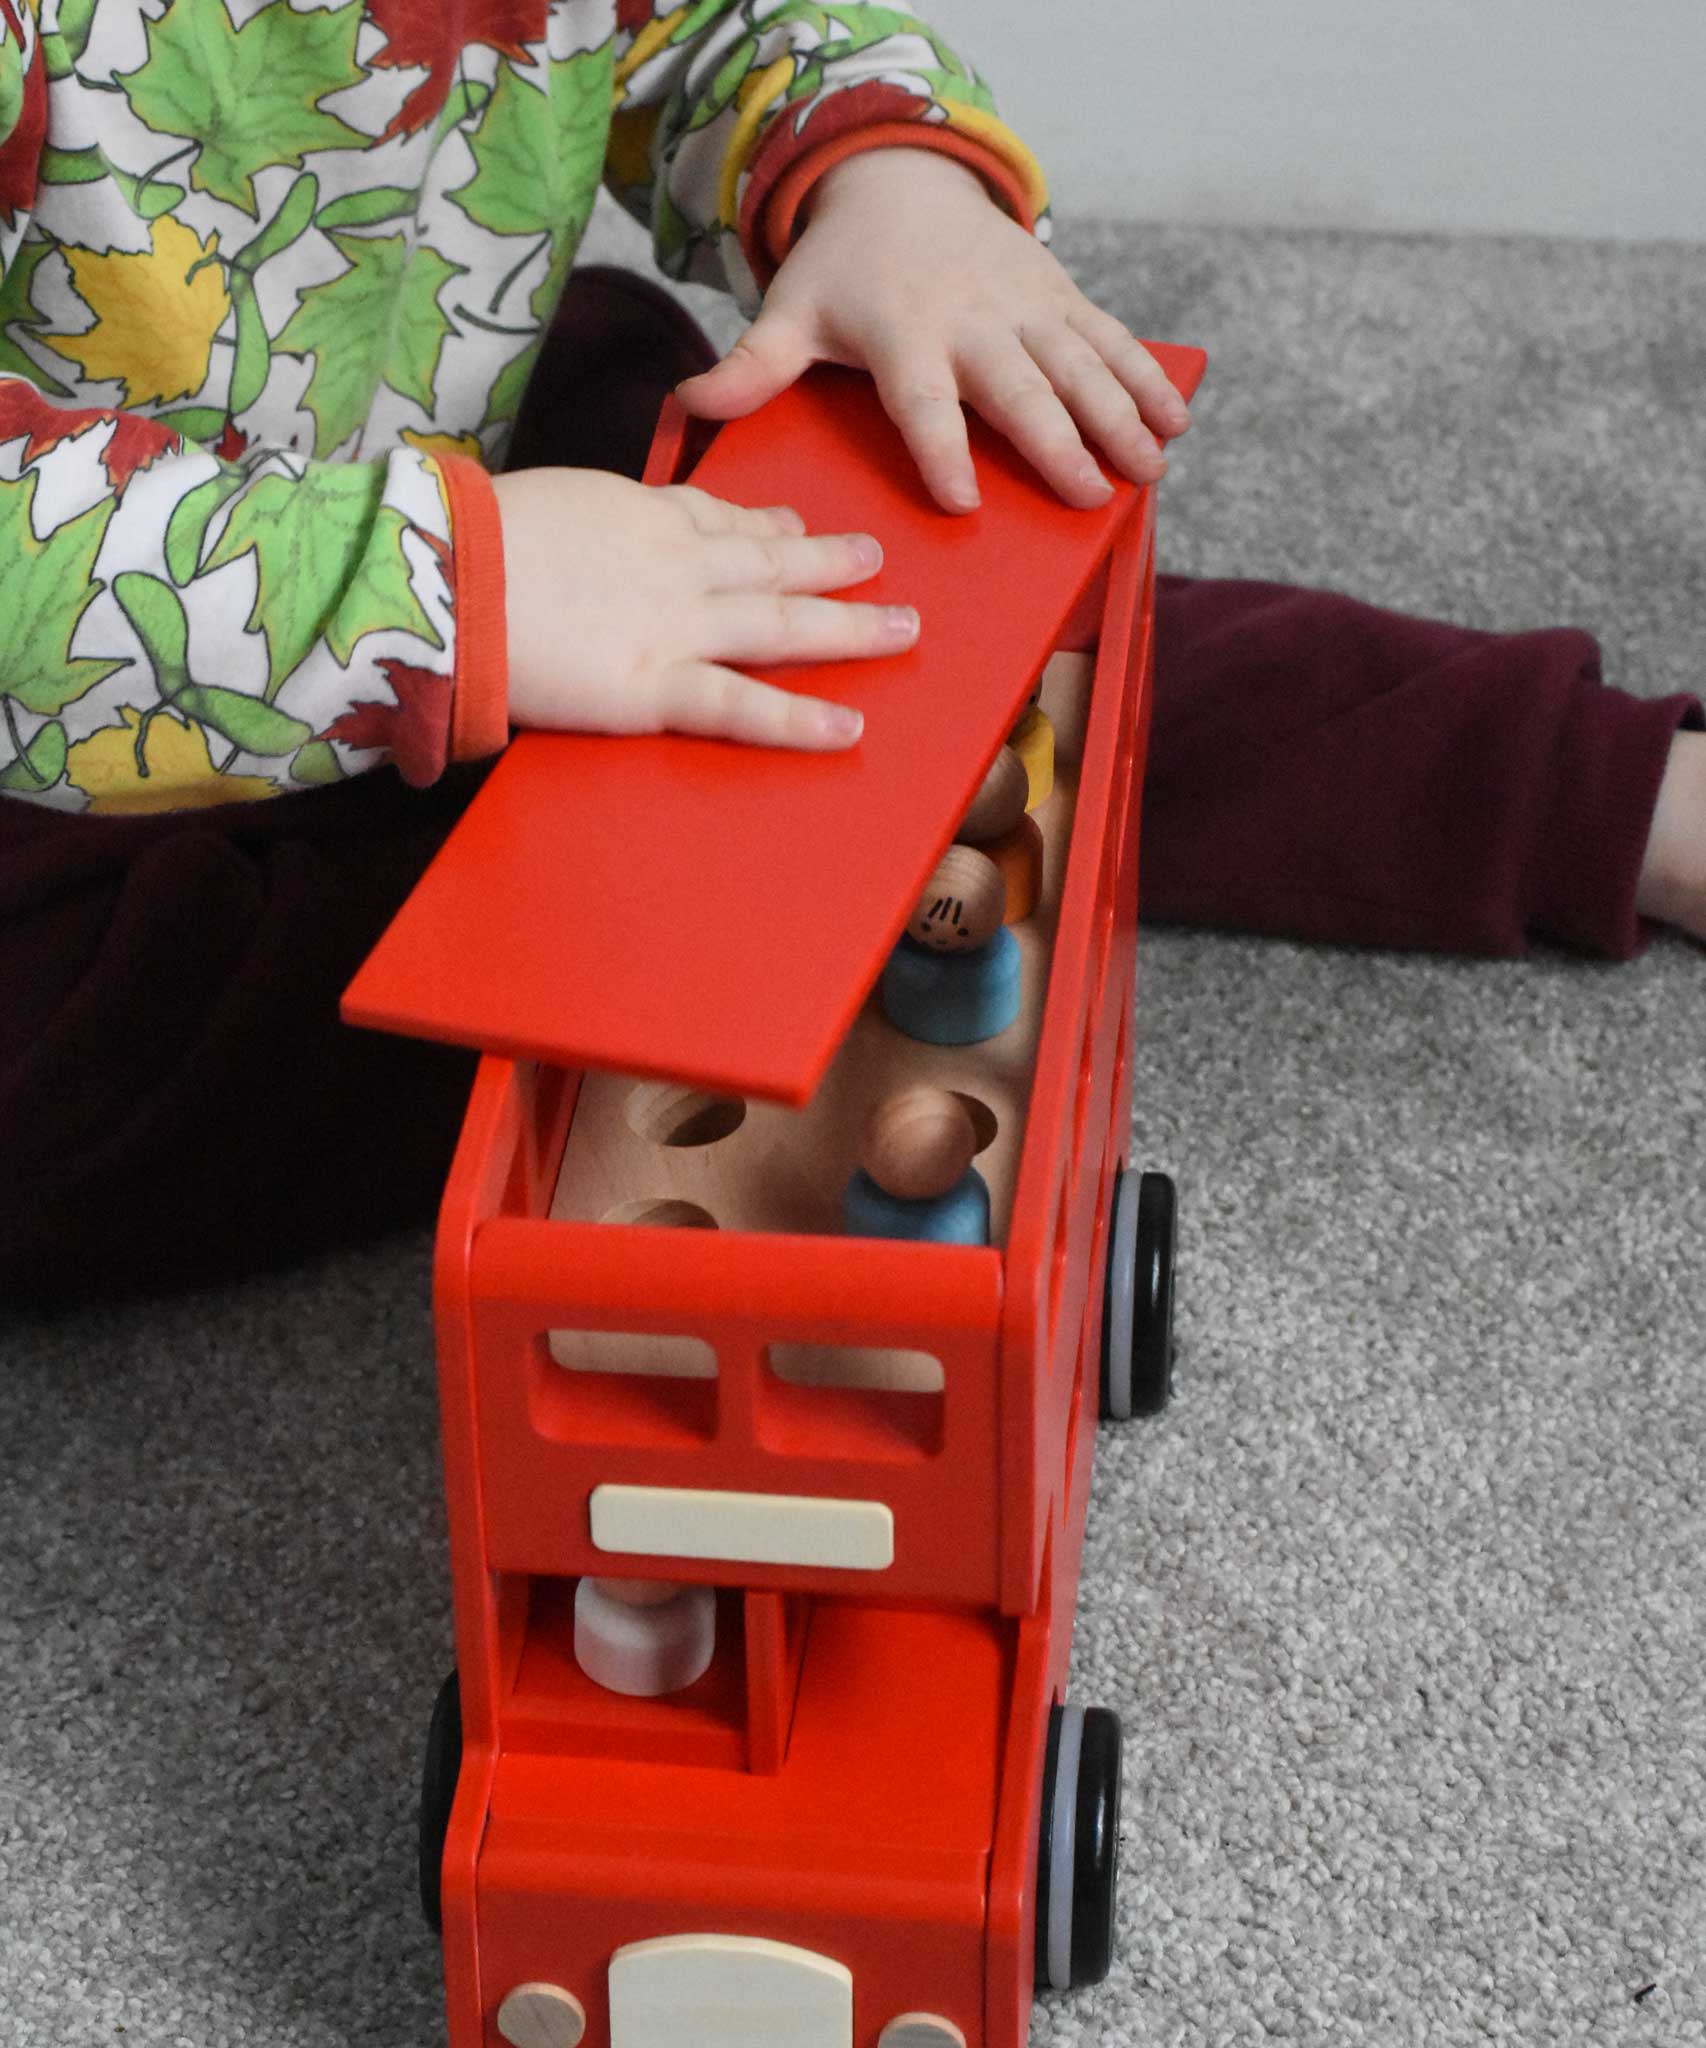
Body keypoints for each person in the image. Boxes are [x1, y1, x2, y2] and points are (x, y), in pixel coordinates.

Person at [0, 3, 1698, 1306]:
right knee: (57, 1109)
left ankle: (1595, 789)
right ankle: (678, 916)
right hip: (63, 727)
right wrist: (450, 580)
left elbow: (727, 31)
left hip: (458, 474)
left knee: (915, 605)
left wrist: (890, 176)